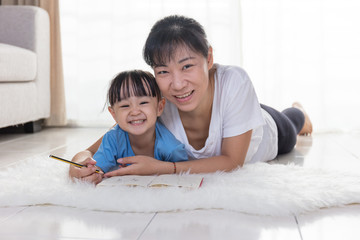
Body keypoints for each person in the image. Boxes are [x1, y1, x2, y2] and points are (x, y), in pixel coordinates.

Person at [69, 15, 312, 182]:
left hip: (266, 127)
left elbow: (231, 162)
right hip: (233, 109)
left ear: (208, 58)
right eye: (163, 71)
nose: (177, 84)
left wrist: (162, 169)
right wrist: (77, 165)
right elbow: (90, 150)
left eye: (186, 66)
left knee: (292, 124)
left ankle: (299, 110)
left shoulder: (235, 81)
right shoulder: (158, 99)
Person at [69, 70, 188, 183]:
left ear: (159, 108)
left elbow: (184, 171)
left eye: (143, 103)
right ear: (113, 114)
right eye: (125, 105)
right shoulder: (113, 138)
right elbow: (98, 167)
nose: (135, 112)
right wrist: (92, 173)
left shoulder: (171, 147)